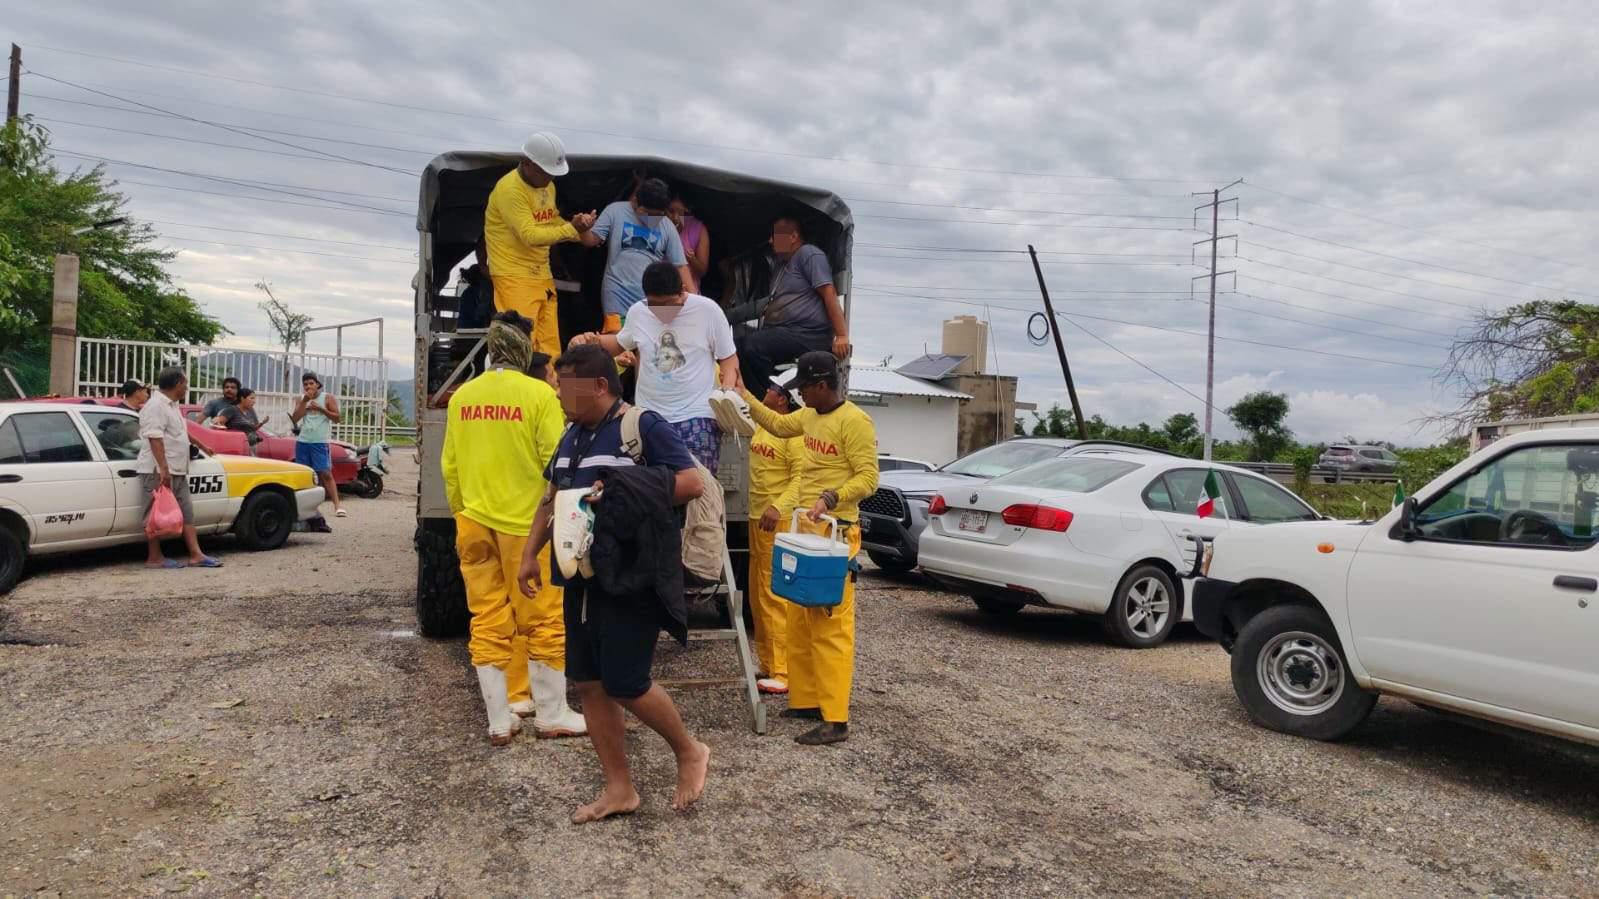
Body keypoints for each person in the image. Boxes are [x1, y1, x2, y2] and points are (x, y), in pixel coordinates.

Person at [517, 344, 710, 823]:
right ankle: (619, 788)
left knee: (626, 682)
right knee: (590, 684)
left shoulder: (642, 427)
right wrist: (528, 556)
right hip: (580, 576)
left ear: (599, 385)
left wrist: (620, 488)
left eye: (567, 385)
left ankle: (689, 750)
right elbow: (551, 498)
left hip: (631, 574)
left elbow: (690, 483)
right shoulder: (570, 436)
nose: (559, 394)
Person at [442, 312, 586, 745]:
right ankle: (551, 713)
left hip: (472, 521)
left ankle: (500, 719)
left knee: (486, 617)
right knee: (542, 618)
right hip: (526, 527)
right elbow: (557, 462)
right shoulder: (538, 394)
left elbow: (450, 467)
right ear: (523, 349)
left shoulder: (461, 397)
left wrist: (462, 514)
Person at [738, 351, 878, 745]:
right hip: (806, 532)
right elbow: (778, 424)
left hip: (836, 534)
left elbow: (869, 477)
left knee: (830, 627)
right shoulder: (810, 418)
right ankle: (806, 700)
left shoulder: (855, 422)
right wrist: (740, 394)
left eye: (804, 387)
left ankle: (836, 718)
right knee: (799, 618)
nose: (800, 395)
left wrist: (832, 498)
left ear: (822, 385)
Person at [568, 262, 737, 473]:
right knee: (650, 490)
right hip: (649, 418)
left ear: (683, 292)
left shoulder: (708, 310)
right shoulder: (638, 312)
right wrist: (593, 341)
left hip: (697, 416)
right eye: (656, 306)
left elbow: (729, 359)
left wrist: (727, 391)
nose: (663, 313)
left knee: (699, 489)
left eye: (669, 304)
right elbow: (619, 344)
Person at [484, 130, 598, 357]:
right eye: (546, 172)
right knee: (522, 344)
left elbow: (551, 219)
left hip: (541, 276)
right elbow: (531, 235)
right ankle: (522, 392)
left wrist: (580, 230)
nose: (551, 178)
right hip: (513, 276)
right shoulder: (510, 189)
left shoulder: (548, 186)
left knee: (549, 346)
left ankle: (548, 390)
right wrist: (571, 229)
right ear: (527, 163)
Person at [735, 218, 851, 396]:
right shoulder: (781, 266)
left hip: (807, 334)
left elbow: (829, 292)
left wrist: (842, 335)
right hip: (783, 332)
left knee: (753, 346)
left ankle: (776, 398)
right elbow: (765, 304)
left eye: (775, 236)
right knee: (735, 346)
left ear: (793, 236)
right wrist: (722, 314)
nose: (770, 241)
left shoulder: (809, 254)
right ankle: (757, 397)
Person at [747, 383, 805, 695]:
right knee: (757, 596)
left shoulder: (793, 436)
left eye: (770, 388)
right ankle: (768, 663)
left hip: (776, 519)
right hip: (757, 518)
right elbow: (747, 403)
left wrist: (778, 506)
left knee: (774, 595)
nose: (765, 390)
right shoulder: (763, 425)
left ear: (782, 399)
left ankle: (783, 670)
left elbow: (801, 478)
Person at [137, 366, 222, 570]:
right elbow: (154, 437)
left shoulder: (172, 405)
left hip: (178, 469)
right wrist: (163, 468)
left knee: (186, 511)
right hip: (157, 470)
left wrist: (202, 445)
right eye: (185, 383)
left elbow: (180, 431)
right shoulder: (155, 406)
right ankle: (154, 557)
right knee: (155, 514)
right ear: (177, 384)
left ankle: (196, 554)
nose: (186, 387)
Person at [582, 177, 693, 329]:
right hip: (616, 293)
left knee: (645, 343)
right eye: (647, 213)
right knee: (617, 339)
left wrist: (695, 301)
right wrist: (582, 229)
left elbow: (680, 266)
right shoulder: (615, 211)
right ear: (635, 202)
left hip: (652, 298)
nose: (652, 219)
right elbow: (590, 240)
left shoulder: (667, 226)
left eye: (658, 215)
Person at [289, 372, 345, 518]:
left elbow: (337, 418)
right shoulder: (301, 399)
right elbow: (295, 418)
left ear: (317, 384)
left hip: (319, 441)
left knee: (325, 473)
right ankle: (305, 508)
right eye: (305, 384)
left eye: (311, 383)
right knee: (305, 474)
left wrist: (321, 409)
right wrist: (304, 402)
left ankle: (337, 506)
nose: (308, 386)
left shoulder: (327, 397)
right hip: (303, 441)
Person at [667, 193, 709, 294]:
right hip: (660, 294)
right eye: (671, 211)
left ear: (686, 209)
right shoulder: (656, 225)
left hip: (688, 294)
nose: (675, 217)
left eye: (680, 212)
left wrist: (692, 259)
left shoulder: (698, 228)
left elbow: (702, 271)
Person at [214, 387, 268, 455]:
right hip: (236, 448)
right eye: (251, 398)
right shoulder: (232, 410)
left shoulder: (251, 411)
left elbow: (253, 428)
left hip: (252, 447)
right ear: (242, 398)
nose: (254, 401)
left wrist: (262, 423)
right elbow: (217, 424)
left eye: (254, 398)